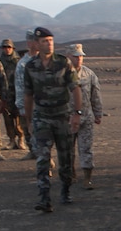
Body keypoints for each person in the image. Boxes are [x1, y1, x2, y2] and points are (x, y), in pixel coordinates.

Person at [23, 27, 82, 212]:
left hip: (62, 116)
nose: (48, 44)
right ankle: (44, 197)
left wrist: (76, 114)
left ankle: (65, 189)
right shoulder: (31, 67)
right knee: (42, 157)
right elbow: (28, 95)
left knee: (66, 157)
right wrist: (29, 120)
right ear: (36, 44)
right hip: (42, 117)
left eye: (50, 40)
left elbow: (75, 88)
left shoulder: (63, 63)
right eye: (44, 41)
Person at [67, 44, 104, 188]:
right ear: (68, 57)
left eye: (81, 56)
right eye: (75, 56)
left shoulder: (89, 74)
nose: (79, 59)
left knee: (86, 148)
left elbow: (96, 95)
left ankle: (87, 178)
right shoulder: (62, 74)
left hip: (86, 118)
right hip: (67, 119)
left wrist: (98, 113)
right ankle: (70, 174)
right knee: (67, 149)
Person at [0, 39, 27, 150]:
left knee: (19, 117)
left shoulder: (19, 61)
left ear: (12, 48)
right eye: (5, 47)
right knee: (8, 118)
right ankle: (11, 140)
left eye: (9, 47)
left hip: (18, 93)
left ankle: (21, 139)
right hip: (6, 94)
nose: (7, 49)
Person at [15, 31, 41, 158]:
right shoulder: (23, 64)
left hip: (46, 104)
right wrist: (22, 107)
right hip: (30, 104)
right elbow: (20, 87)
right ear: (29, 43)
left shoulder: (46, 60)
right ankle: (34, 153)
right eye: (35, 41)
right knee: (30, 131)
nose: (38, 43)